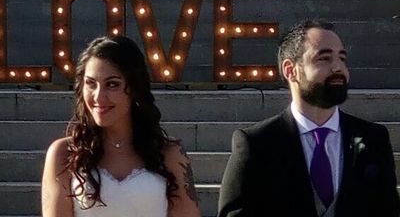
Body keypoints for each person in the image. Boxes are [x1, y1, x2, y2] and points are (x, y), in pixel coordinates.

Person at [218, 19, 400, 217]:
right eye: (324, 59)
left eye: (342, 58)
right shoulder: (257, 143)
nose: (338, 68)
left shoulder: (373, 139)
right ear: (291, 70)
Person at [42, 35, 201, 217]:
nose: (99, 97)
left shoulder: (170, 152)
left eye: (112, 85)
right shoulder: (64, 153)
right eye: (91, 84)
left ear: (134, 88)